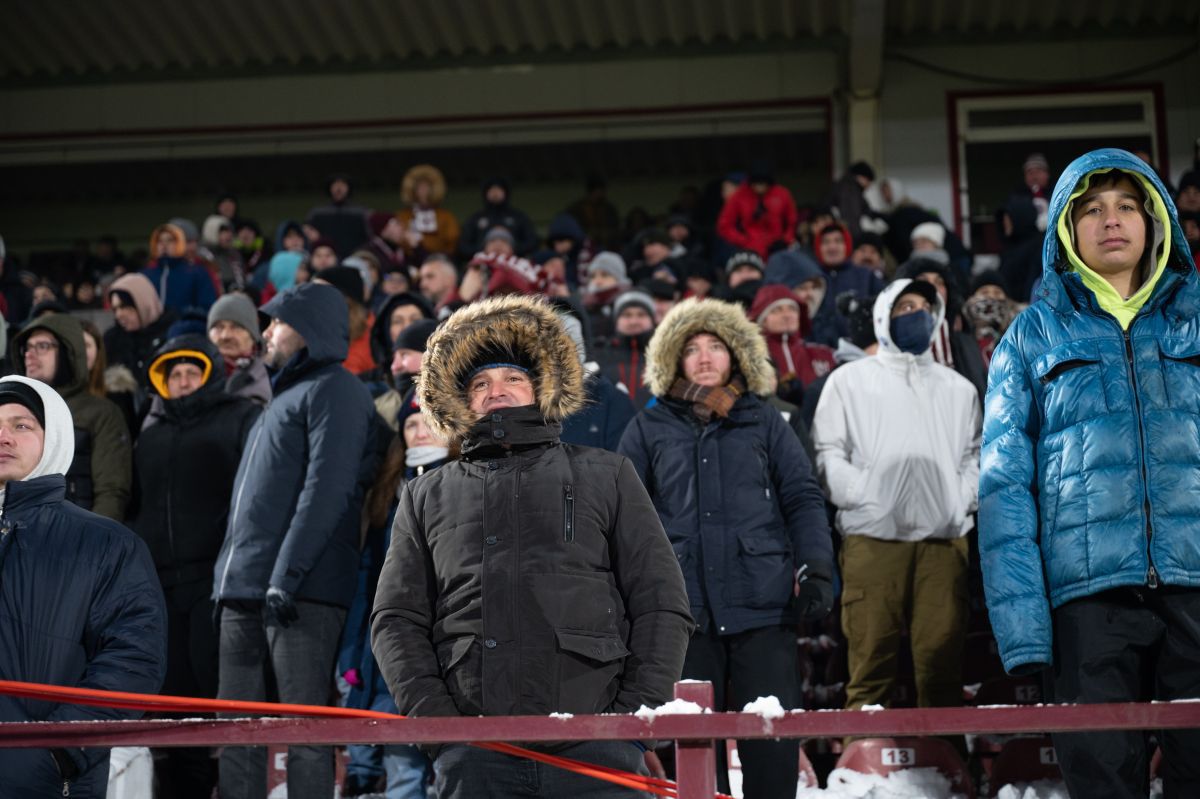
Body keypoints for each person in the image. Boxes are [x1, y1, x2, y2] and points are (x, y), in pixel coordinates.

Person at [371, 294, 693, 799]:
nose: (496, 391)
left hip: (596, 746)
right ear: (461, 399)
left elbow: (662, 602)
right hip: (475, 750)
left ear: (541, 388)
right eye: (480, 383)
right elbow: (395, 619)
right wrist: (441, 729)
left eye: (512, 379)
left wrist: (628, 722)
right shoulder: (425, 493)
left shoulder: (608, 474)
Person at [979, 148, 1200, 798]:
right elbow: (1002, 489)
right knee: (1101, 782)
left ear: (1156, 220)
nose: (1112, 221)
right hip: (1086, 603)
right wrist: (1024, 628)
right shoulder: (1030, 337)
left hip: (1197, 588)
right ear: (1065, 231)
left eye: (1128, 206)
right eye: (1093, 210)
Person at [618, 297, 834, 798]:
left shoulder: (766, 421)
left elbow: (803, 497)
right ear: (673, 360)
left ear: (736, 355)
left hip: (763, 605)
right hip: (681, 611)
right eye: (691, 348)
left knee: (770, 740)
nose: (705, 357)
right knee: (693, 748)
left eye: (715, 345)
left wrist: (817, 566)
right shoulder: (647, 427)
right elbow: (621, 517)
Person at [214, 282, 374, 799]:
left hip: (299, 591)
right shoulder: (279, 398)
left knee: (304, 731)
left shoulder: (338, 389)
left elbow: (328, 490)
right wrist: (228, 579)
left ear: (309, 327)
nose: (267, 333)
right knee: (235, 734)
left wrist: (286, 575)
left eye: (276, 322)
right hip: (243, 588)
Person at [813, 279, 980, 714]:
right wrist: (863, 495)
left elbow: (975, 456)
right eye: (906, 306)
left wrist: (959, 499)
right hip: (872, 539)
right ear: (885, 315)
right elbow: (828, 452)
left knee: (941, 670)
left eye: (926, 306)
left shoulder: (959, 388)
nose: (918, 314)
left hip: (943, 544)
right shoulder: (847, 381)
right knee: (869, 669)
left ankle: (950, 774)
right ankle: (859, 775)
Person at [0, 375, 166, 797]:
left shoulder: (108, 543)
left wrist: (59, 750)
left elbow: (134, 659)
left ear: (52, 435)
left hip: (49, 778)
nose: (4, 437)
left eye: (22, 425)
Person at [130, 335, 260, 798]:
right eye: (174, 374)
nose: (182, 382)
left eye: (192, 373)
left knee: (220, 701)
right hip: (161, 587)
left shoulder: (240, 418)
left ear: (210, 375)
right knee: (174, 704)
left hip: (216, 581)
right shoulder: (151, 433)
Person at [339, 394, 447, 797]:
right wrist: (352, 654)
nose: (420, 432)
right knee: (395, 764)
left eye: (427, 422)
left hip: (439, 648)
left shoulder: (465, 480)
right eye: (410, 426)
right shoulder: (388, 493)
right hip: (385, 649)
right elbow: (367, 583)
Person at [12, 313, 132, 521]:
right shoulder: (13, 413)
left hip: (78, 539)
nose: (30, 355)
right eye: (28, 348)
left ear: (69, 352)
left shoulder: (102, 412)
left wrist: (95, 545)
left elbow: (111, 491)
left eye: (42, 346)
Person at [104, 272, 175, 396]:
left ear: (143, 303)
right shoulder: (112, 340)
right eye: (115, 309)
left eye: (125, 306)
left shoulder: (173, 335)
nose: (119, 315)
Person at [716, 163, 798, 258]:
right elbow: (724, 225)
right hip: (750, 249)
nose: (759, 187)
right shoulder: (740, 196)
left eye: (763, 183)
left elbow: (792, 220)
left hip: (777, 246)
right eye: (756, 183)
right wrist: (743, 241)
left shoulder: (782, 194)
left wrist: (786, 239)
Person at [592, 290, 656, 409]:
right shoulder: (599, 355)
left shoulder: (665, 356)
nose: (634, 321)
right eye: (627, 315)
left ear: (652, 320)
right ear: (616, 321)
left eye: (641, 314)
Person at [207, 292, 271, 406]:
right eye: (218, 327)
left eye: (236, 327)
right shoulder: (193, 373)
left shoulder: (271, 378)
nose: (225, 335)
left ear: (253, 335)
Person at [142, 222, 218, 313]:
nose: (164, 245)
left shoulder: (197, 273)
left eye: (170, 240)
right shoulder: (145, 275)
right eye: (159, 241)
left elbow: (207, 306)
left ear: (180, 243)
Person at [459, 177, 538, 258]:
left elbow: (532, 242)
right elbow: (463, 247)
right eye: (492, 190)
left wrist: (512, 248)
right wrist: (484, 250)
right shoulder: (475, 218)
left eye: (498, 190)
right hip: (483, 263)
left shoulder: (519, 217)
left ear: (505, 193)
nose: (495, 193)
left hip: (514, 263)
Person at [397, 165, 460, 258]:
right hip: (411, 259)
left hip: (440, 259)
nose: (423, 190)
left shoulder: (445, 216)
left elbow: (452, 240)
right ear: (413, 190)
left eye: (426, 186)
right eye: (419, 187)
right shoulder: (404, 215)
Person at [305, 173, 370, 258]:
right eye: (335, 185)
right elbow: (307, 231)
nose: (338, 188)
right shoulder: (317, 213)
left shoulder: (361, 212)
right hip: (326, 258)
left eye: (343, 185)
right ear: (330, 188)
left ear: (348, 188)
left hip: (355, 256)